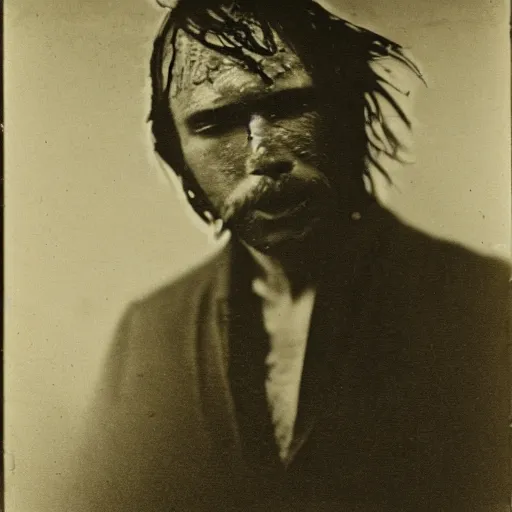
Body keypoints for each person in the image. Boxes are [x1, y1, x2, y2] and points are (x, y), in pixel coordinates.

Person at [65, 1, 510, 510]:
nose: (264, 155)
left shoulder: (489, 305)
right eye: (215, 124)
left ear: (347, 112)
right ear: (177, 152)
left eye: (289, 107)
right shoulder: (147, 335)